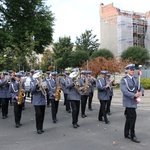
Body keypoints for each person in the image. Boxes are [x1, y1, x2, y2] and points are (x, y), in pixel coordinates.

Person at [120, 64, 144, 143]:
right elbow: (124, 91)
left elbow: (141, 87)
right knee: (133, 117)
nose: (133, 71)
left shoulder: (135, 79)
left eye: (133, 70)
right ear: (127, 70)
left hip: (134, 101)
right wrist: (134, 95)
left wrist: (141, 92)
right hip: (128, 102)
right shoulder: (124, 80)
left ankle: (126, 133)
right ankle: (132, 135)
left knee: (129, 118)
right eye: (131, 70)